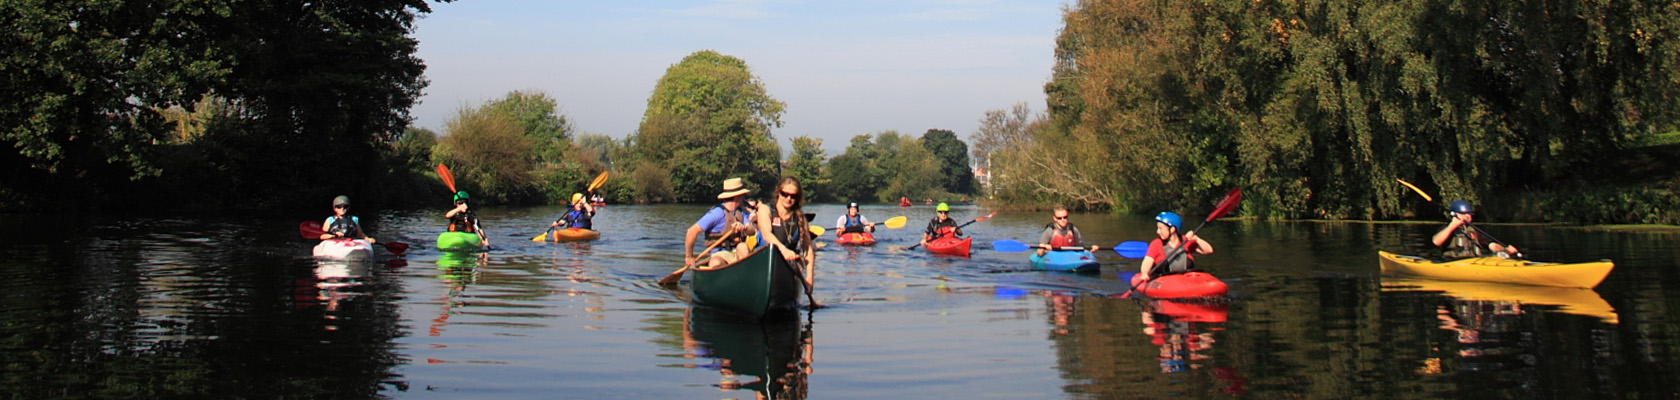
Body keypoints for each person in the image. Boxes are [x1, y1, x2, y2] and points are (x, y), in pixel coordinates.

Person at [684, 178, 757, 269]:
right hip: (719, 253)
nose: (744, 197)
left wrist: (744, 228)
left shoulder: (741, 212)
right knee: (715, 262)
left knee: (743, 246)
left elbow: (752, 231)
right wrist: (689, 257)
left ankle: (742, 272)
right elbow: (692, 231)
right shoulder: (717, 213)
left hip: (736, 253)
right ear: (738, 196)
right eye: (743, 195)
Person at [757, 177, 814, 277]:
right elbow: (766, 234)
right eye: (785, 194)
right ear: (778, 192)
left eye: (793, 196)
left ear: (797, 198)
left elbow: (807, 249)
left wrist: (809, 279)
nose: (788, 198)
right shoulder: (765, 210)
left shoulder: (800, 218)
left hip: (787, 265)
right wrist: (783, 250)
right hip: (763, 260)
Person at [1431, 200, 1519, 259]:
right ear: (1455, 214)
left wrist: (1505, 250)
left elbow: (1491, 245)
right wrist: (1452, 225)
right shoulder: (1447, 228)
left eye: (1469, 214)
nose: (1467, 216)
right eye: (1463, 214)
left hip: (1473, 262)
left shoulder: (1473, 230)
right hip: (1452, 262)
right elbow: (1436, 242)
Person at [1140, 211, 1212, 279]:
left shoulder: (1186, 240)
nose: (1157, 232)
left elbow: (1208, 250)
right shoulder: (1156, 244)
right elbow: (1147, 261)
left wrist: (1196, 239)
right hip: (1163, 282)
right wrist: (1144, 273)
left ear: (1172, 229)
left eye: (1160, 228)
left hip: (1186, 282)